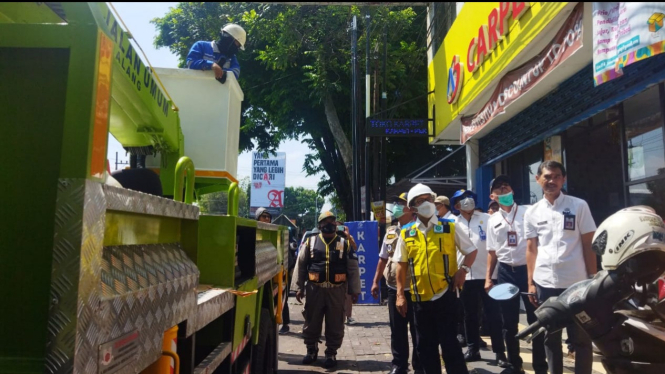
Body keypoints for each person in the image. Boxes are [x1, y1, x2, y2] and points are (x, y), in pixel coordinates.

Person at [394, 183, 478, 374]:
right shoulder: (407, 232)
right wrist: (400, 294)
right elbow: (401, 264)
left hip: (445, 296)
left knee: (451, 346)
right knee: (425, 348)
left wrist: (463, 270)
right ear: (413, 207)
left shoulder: (449, 226)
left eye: (429, 199)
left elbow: (471, 250)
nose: (427, 203)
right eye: (421, 201)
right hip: (419, 300)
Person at [525, 161, 596, 374]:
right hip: (545, 282)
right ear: (538, 180)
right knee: (551, 337)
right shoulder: (532, 212)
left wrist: (592, 277)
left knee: (581, 338)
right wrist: (530, 282)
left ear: (563, 179)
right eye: (547, 176)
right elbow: (531, 249)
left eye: (556, 176)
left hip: (576, 283)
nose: (552, 181)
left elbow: (588, 244)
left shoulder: (578, 206)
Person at [485, 175, 547, 374]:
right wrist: (488, 277)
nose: (504, 191)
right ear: (492, 196)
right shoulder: (492, 220)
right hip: (505, 273)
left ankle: (540, 366)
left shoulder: (529, 212)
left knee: (535, 320)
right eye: (499, 189)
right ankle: (514, 363)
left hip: (529, 272)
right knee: (508, 322)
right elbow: (492, 252)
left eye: (506, 186)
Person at [291, 211, 361, 369]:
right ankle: (311, 350)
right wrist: (298, 287)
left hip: (337, 291)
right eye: (325, 222)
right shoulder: (310, 242)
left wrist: (355, 290)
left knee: (336, 322)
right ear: (319, 225)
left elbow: (353, 268)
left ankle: (331, 353)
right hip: (314, 290)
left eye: (332, 222)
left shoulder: (345, 243)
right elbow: (301, 265)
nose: (329, 225)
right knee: (311, 321)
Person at [451, 189, 508, 368]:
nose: (467, 201)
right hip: (465, 276)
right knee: (470, 315)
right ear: (456, 205)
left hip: (488, 275)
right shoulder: (452, 223)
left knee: (494, 314)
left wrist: (491, 275)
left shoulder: (487, 219)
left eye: (469, 198)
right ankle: (473, 348)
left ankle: (500, 352)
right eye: (462, 199)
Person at [371, 193, 423, 374]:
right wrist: (375, 282)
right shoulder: (391, 232)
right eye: (397, 203)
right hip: (394, 287)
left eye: (402, 204)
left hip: (416, 288)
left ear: (411, 208)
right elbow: (382, 259)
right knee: (397, 330)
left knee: (418, 331)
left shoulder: (420, 229)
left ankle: (420, 365)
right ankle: (399, 365)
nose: (397, 207)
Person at [336, 220, 359, 325]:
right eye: (337, 227)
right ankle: (337, 316)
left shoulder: (348, 237)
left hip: (347, 267)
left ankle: (348, 316)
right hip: (336, 268)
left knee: (348, 294)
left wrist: (348, 237)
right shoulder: (332, 237)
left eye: (341, 227)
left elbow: (354, 247)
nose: (339, 229)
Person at [279, 227, 298, 335]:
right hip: (278, 273)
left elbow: (290, 260)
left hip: (285, 273)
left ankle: (285, 324)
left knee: (283, 298)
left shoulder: (290, 243)